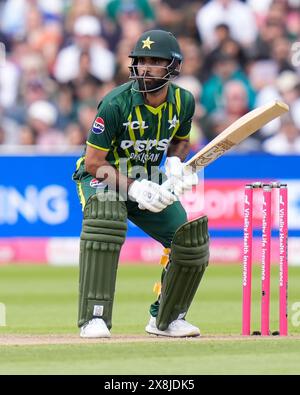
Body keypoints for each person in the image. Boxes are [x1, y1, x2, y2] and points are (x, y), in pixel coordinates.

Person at [73, 29, 210, 338]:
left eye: (155, 61)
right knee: (105, 219)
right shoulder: (115, 103)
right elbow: (94, 163)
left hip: (148, 174)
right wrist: (134, 188)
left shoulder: (183, 101)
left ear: (173, 67)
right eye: (141, 60)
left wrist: (175, 163)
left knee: (189, 239)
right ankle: (94, 318)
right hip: (103, 176)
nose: (146, 68)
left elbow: (180, 141)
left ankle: (166, 317)